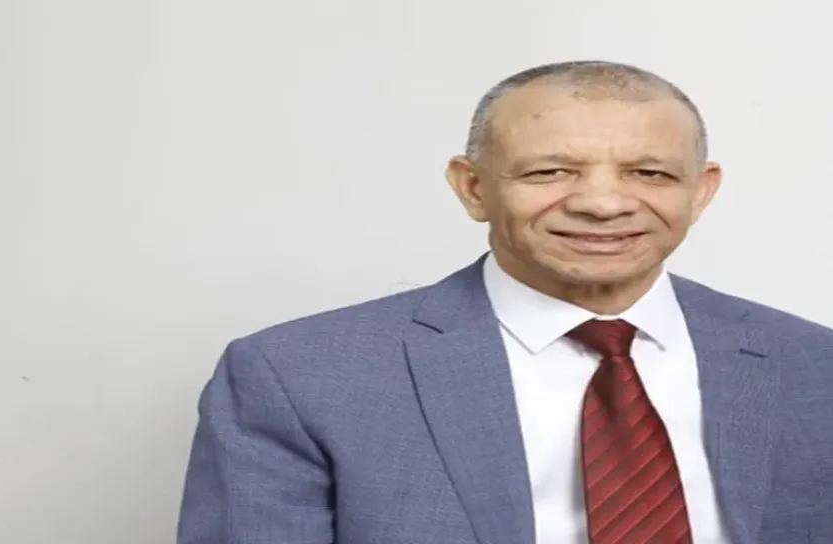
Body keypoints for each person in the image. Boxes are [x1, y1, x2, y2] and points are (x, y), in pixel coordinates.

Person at [175, 60, 833, 544]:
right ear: (472, 187)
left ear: (700, 191)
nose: (603, 203)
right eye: (551, 171)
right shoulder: (298, 377)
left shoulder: (814, 365)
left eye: (649, 173)